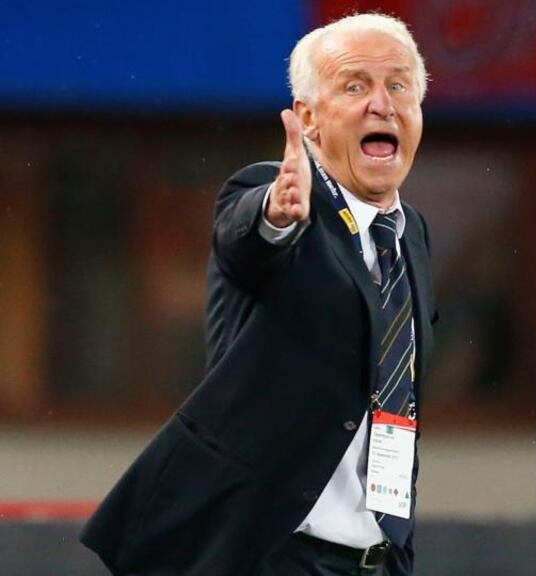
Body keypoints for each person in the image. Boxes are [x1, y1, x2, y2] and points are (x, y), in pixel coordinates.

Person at [80, 13, 436, 576]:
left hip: (373, 559)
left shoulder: (410, 233)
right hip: (266, 551)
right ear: (309, 119)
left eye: (398, 86)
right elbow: (248, 240)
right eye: (355, 86)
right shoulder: (271, 193)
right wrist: (276, 215)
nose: (382, 103)